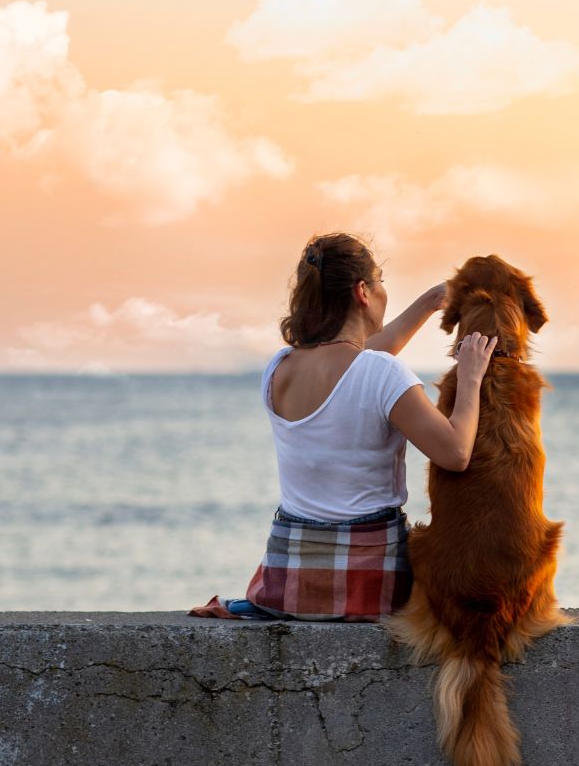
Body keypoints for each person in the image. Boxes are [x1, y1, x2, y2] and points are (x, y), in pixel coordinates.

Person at [189, 232, 497, 622]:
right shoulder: (381, 373)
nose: (386, 292)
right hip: (368, 589)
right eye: (381, 280)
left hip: (287, 587)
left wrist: (431, 301)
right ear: (363, 292)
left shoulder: (279, 367)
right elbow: (455, 454)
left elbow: (358, 364)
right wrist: (470, 377)